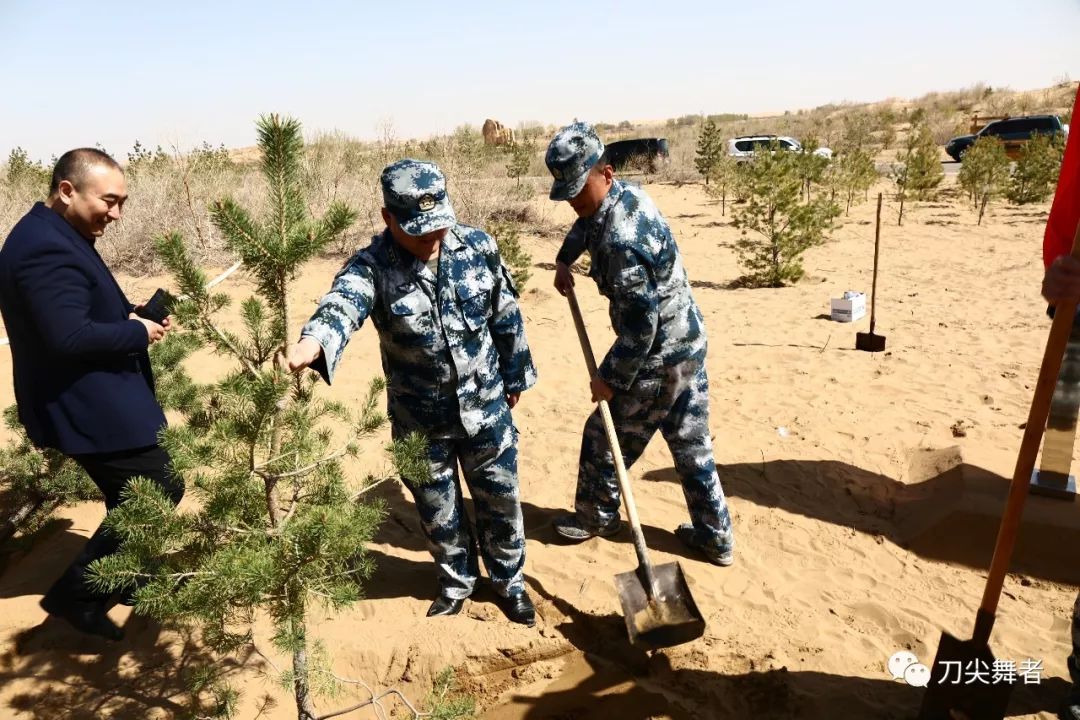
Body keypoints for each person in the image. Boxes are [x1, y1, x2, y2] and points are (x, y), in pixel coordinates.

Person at [285, 159, 539, 625]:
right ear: (388, 218)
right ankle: (456, 582)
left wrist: (517, 374)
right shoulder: (372, 266)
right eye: (419, 230)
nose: (432, 238)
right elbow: (343, 303)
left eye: (438, 225)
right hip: (421, 421)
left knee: (500, 502)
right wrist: (314, 341)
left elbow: (506, 314)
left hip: (486, 408)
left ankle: (509, 583)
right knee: (438, 510)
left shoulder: (477, 246)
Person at [0, 148, 184, 641]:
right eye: (109, 200)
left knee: (133, 491)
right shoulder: (43, 247)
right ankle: (75, 596)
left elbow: (80, 307)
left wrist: (131, 313)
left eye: (122, 201)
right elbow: (68, 338)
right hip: (85, 402)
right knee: (158, 486)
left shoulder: (60, 232)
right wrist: (137, 334)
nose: (117, 213)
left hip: (99, 392)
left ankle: (123, 578)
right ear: (67, 191)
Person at [543, 121, 736, 566]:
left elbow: (639, 330)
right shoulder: (623, 197)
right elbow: (586, 220)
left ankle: (594, 517)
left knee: (602, 436)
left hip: (657, 358)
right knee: (690, 442)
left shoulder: (621, 244)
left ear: (605, 172)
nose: (574, 200)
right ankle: (715, 536)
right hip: (689, 342)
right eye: (566, 191)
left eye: (579, 189)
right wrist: (564, 259)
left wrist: (608, 379)